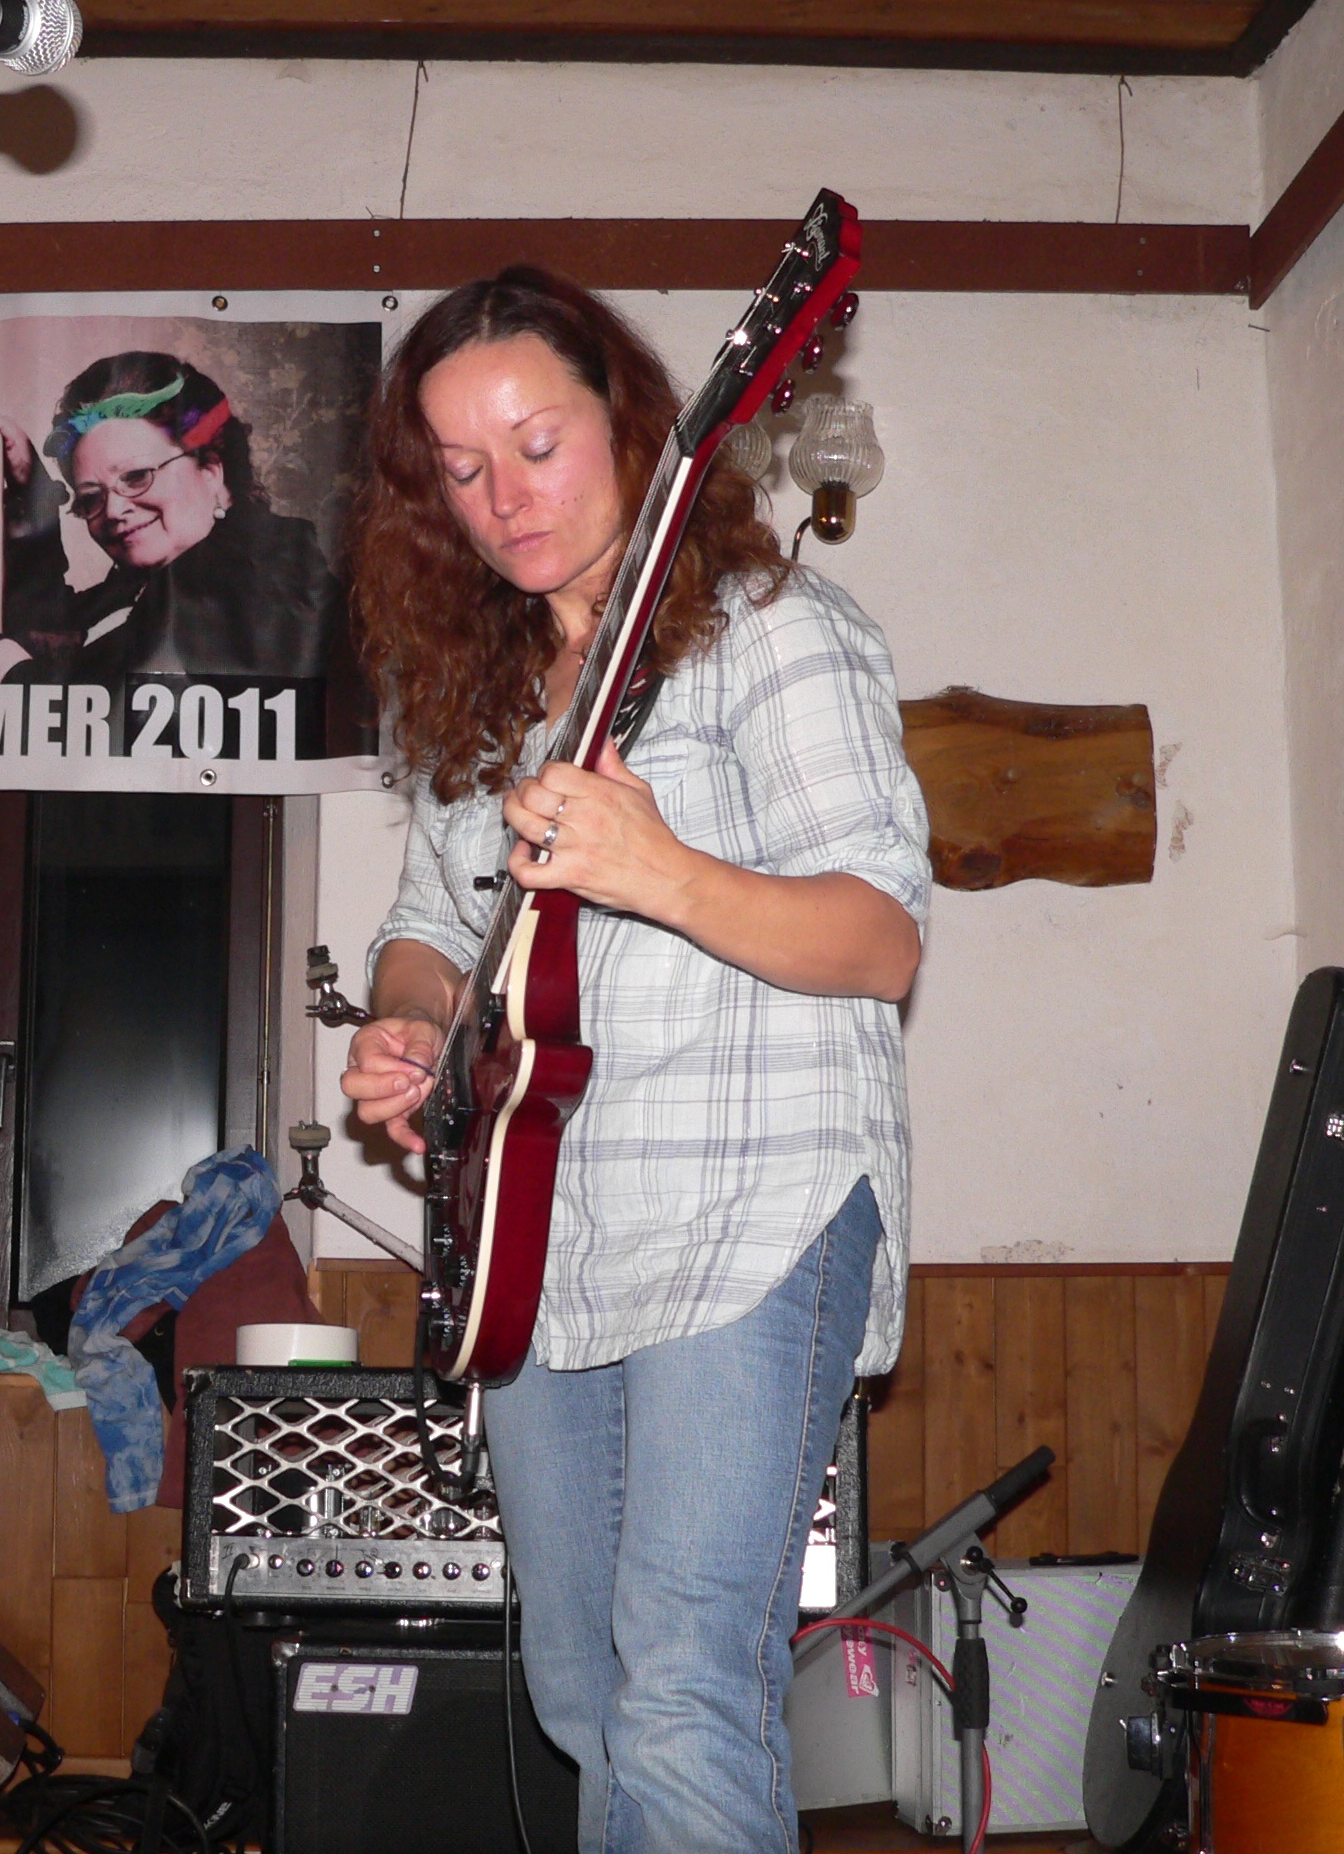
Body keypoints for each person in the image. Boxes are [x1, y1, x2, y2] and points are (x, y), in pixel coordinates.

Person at [337, 268, 930, 1854]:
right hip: (546, 1238)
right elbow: (426, 926)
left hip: (751, 1208)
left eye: (536, 445)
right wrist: (410, 1021)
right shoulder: (478, 697)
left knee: (681, 1687)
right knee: (584, 1694)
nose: (504, 498)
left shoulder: (777, 633)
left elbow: (879, 939)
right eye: (463, 470)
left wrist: (658, 868)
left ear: (630, 424)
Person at [0, 353, 342, 689]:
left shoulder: (264, 575)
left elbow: (96, 724)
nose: (112, 510)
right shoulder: (150, 582)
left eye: (137, 477)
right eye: (91, 498)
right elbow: (59, 637)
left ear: (211, 472)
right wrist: (33, 496)